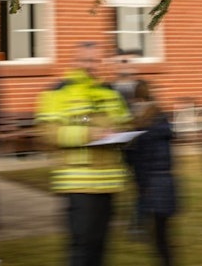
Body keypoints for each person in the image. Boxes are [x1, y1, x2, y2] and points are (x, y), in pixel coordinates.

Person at [35, 41, 131, 266]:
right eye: (85, 60)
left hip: (109, 183)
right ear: (74, 61)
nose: (91, 65)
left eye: (95, 60)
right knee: (82, 247)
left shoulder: (111, 93)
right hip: (78, 184)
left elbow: (125, 123)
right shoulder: (57, 92)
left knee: (100, 246)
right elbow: (47, 133)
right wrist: (88, 134)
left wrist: (120, 131)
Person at [126, 81, 177, 266]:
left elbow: (139, 160)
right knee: (162, 235)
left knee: (159, 238)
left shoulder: (142, 126)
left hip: (152, 185)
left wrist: (142, 185)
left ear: (137, 99)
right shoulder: (161, 120)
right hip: (166, 182)